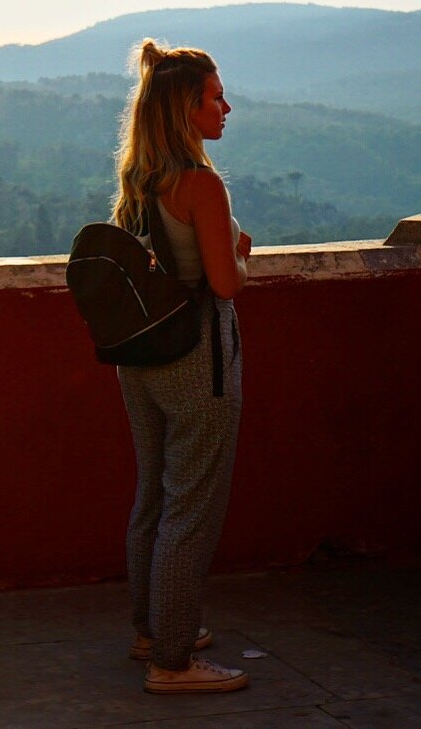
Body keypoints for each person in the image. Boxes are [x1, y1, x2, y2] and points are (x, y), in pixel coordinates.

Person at [112, 38, 252, 695]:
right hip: (199, 359)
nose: (226, 107)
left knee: (153, 498)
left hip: (141, 357)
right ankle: (173, 661)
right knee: (191, 507)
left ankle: (152, 630)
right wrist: (239, 253)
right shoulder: (200, 184)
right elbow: (225, 285)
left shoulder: (139, 181)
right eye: (215, 97)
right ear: (185, 110)